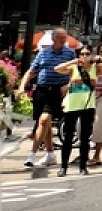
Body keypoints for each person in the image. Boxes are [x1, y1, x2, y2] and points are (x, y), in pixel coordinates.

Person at [19, 29, 77, 168]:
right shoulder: (43, 53)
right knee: (45, 123)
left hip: (58, 91)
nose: (64, 40)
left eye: (65, 37)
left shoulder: (70, 53)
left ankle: (32, 154)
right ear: (53, 38)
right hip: (42, 90)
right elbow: (32, 71)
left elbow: (75, 72)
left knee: (44, 119)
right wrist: (22, 86)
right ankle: (50, 154)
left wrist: (68, 86)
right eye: (60, 37)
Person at [52, 47, 102, 176]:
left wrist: (98, 58)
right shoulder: (73, 69)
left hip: (88, 105)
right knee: (68, 137)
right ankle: (63, 167)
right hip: (72, 105)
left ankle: (83, 167)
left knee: (85, 138)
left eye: (87, 53)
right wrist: (74, 61)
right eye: (82, 54)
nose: (85, 56)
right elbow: (57, 69)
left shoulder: (95, 68)